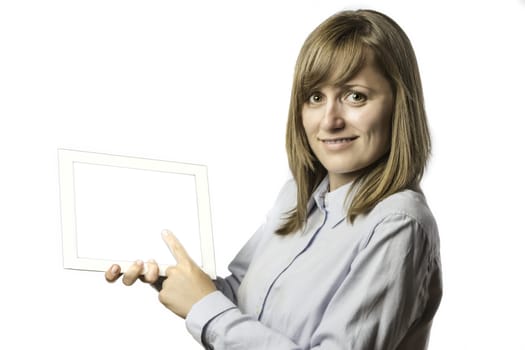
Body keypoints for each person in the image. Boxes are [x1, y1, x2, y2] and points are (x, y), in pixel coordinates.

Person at [105, 8, 442, 349]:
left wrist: (205, 309)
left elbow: (219, 316)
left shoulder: (399, 223)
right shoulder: (297, 195)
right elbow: (239, 298)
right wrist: (176, 281)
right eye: (315, 97)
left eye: (355, 96)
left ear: (399, 104)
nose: (329, 121)